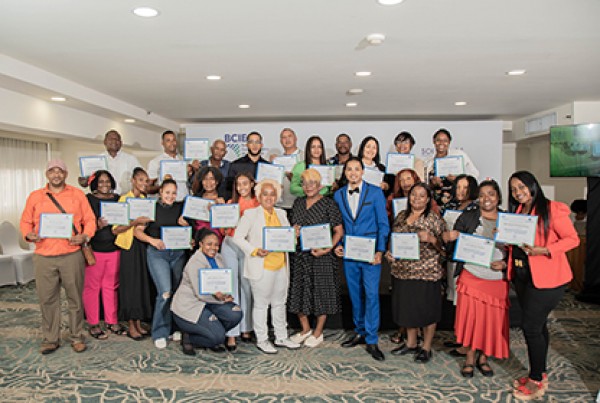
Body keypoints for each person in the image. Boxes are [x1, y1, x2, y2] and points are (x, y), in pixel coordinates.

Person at [507, 171, 579, 401]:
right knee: (539, 326)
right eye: (514, 189)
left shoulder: (552, 209)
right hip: (524, 277)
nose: (518, 192)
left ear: (532, 185)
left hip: (548, 280)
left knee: (530, 327)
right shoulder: (519, 211)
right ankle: (541, 371)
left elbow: (572, 239)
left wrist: (545, 250)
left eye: (521, 187)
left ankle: (536, 380)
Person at [20, 159, 97, 354]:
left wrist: (85, 236)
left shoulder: (77, 195)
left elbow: (89, 220)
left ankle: (77, 336)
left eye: (60, 171)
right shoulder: (35, 197)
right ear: (47, 174)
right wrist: (28, 234)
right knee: (47, 299)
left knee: (74, 299)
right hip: (44, 256)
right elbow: (25, 221)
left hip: (71, 255)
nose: (56, 175)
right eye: (52, 171)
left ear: (65, 174)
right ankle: (50, 338)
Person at [443, 180, 509, 378]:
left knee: (491, 322)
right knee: (472, 320)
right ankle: (470, 358)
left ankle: (484, 358)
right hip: (472, 276)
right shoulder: (468, 216)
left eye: (491, 194)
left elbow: (519, 250)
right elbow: (452, 248)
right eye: (482, 195)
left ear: (498, 197)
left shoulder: (508, 219)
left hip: (496, 279)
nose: (486, 199)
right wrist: (449, 238)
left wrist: (506, 264)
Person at [233, 179, 301, 354]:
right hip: (261, 266)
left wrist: (294, 235)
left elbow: (288, 240)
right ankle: (262, 339)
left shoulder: (281, 214)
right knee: (262, 305)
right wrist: (255, 250)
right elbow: (238, 238)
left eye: (272, 194)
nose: (269, 197)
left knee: (280, 303)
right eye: (265, 194)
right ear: (259, 196)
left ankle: (281, 336)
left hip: (281, 265)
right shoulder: (250, 214)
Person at [333, 157, 389, 361]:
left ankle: (372, 339)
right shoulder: (338, 195)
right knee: (355, 295)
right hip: (350, 253)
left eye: (357, 169)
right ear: (345, 172)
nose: (353, 173)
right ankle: (359, 332)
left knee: (372, 295)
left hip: (370, 252)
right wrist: (338, 245)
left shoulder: (375, 192)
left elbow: (383, 224)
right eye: (349, 169)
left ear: (363, 172)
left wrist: (380, 250)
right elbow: (338, 224)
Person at [385, 183, 445, 364]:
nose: (416, 199)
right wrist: (390, 252)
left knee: (427, 310)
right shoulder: (401, 216)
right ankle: (411, 343)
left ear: (428, 200)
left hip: (426, 272)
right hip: (402, 272)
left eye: (421, 196)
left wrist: (432, 239)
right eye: (413, 195)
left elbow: (444, 249)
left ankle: (426, 347)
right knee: (408, 309)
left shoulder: (434, 219)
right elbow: (393, 239)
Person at [288, 169, 344, 348]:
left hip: (322, 257)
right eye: (305, 183)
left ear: (320, 185)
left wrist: (327, 249)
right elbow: (291, 229)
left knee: (322, 294)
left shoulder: (329, 204)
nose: (309, 186)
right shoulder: (297, 203)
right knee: (298, 292)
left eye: (312, 183)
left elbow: (338, 231)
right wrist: (293, 232)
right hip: (300, 256)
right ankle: (305, 329)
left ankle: (318, 332)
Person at [134, 179, 190, 349]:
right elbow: (137, 232)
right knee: (165, 292)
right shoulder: (151, 208)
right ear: (160, 192)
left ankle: (175, 328)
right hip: (158, 254)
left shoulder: (181, 208)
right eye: (167, 192)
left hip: (178, 254)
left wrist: (187, 225)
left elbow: (190, 232)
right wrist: (152, 240)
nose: (171, 196)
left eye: (174, 192)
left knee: (177, 293)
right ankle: (159, 331)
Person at [171, 229, 243, 355]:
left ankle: (211, 333)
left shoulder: (219, 258)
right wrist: (221, 299)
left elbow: (221, 282)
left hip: (210, 303)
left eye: (216, 245)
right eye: (209, 244)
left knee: (235, 313)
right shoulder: (195, 262)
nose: (213, 248)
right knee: (219, 337)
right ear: (201, 244)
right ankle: (189, 338)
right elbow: (200, 294)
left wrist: (225, 294)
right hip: (190, 306)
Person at [83, 170, 126, 339]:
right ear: (95, 184)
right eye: (101, 182)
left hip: (114, 248)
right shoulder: (89, 200)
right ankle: (93, 323)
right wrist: (97, 225)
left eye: (107, 181)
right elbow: (82, 223)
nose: (105, 185)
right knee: (92, 288)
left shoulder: (117, 199)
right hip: (95, 249)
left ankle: (111, 321)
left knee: (111, 287)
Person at [220, 172, 260, 346]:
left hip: (247, 247)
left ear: (252, 184)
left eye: (245, 183)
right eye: (238, 184)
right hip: (230, 245)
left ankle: (246, 328)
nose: (242, 187)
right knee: (231, 287)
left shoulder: (258, 204)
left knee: (246, 287)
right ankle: (231, 333)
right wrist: (226, 229)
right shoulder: (231, 204)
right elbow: (223, 230)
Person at [115, 167, 154, 340]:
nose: (144, 184)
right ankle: (131, 324)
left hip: (141, 245)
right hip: (128, 246)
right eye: (141, 180)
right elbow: (116, 229)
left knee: (140, 285)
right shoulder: (123, 200)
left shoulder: (146, 200)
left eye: (146, 181)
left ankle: (138, 322)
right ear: (133, 181)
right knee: (130, 286)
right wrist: (134, 222)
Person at [78, 130, 141, 194]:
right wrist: (84, 181)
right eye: (110, 139)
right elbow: (84, 183)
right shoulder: (96, 160)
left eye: (116, 139)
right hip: (102, 198)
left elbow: (141, 179)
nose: (114, 141)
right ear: (105, 142)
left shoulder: (131, 159)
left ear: (121, 143)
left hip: (124, 199)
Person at [426, 128, 479, 203]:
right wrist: (432, 184)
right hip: (435, 203)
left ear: (449, 142)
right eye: (438, 140)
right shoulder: (428, 162)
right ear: (434, 141)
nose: (441, 143)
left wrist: (458, 180)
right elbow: (425, 185)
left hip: (458, 201)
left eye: (445, 141)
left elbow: (475, 174)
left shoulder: (459, 155)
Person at [226, 131, 269, 200]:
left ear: (261, 145)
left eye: (257, 142)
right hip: (241, 205)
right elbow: (229, 188)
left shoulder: (268, 166)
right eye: (251, 142)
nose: (254, 145)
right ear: (247, 145)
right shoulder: (235, 165)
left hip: (263, 204)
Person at [147, 130, 189, 200]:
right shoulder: (155, 162)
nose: (172, 143)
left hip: (183, 200)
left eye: (174, 140)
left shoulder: (184, 160)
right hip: (167, 201)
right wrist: (163, 185)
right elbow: (148, 188)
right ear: (162, 143)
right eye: (168, 140)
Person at [269, 128, 303, 214]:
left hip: (300, 204)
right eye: (284, 137)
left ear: (295, 138)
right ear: (281, 141)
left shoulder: (304, 157)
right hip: (280, 205)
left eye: (290, 136)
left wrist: (294, 179)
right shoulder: (277, 160)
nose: (287, 139)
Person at [191, 166, 226, 245]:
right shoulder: (195, 199)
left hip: (220, 240)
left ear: (217, 181)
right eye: (205, 179)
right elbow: (190, 222)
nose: (208, 182)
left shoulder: (225, 198)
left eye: (212, 179)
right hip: (200, 239)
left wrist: (223, 208)